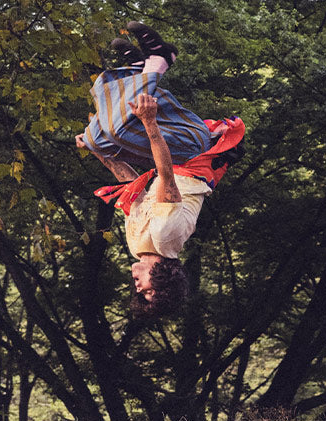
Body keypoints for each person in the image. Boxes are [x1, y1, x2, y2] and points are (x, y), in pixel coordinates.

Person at [73, 22, 247, 317]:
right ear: (163, 281)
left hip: (172, 152)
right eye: (148, 293)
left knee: (99, 137)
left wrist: (97, 154)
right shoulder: (167, 237)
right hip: (195, 151)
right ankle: (160, 59)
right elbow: (165, 174)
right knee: (116, 130)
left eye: (139, 294)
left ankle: (140, 69)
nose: (138, 288)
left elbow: (131, 185)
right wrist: (149, 120)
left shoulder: (136, 245)